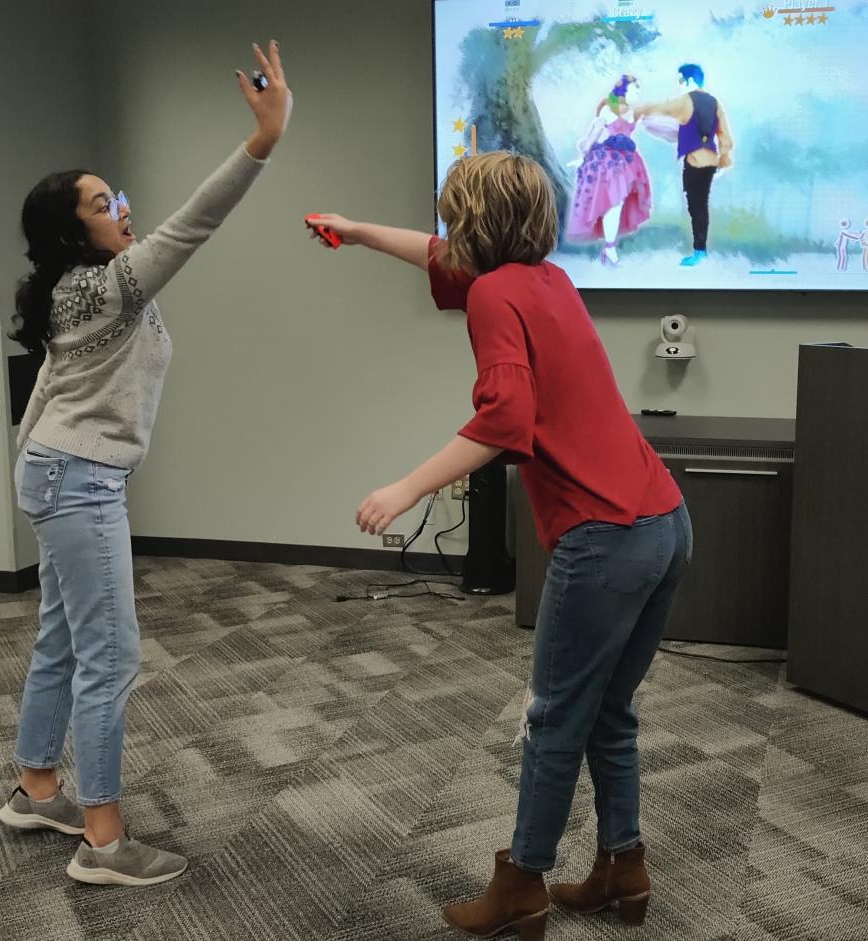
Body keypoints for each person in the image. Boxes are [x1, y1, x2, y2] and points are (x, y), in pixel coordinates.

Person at [311, 151, 691, 939]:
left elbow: (506, 417)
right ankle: (625, 866)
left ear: (474, 223)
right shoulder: (544, 280)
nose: (444, 231)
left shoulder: (492, 294)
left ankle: (521, 883)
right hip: (665, 520)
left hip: (605, 535)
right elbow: (432, 252)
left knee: (554, 718)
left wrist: (406, 487)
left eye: (453, 216)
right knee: (609, 711)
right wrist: (354, 232)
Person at [1, 41, 292, 887]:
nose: (121, 207)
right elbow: (194, 223)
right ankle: (103, 841)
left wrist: (32, 468)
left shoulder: (78, 289)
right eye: (102, 202)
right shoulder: (105, 285)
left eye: (116, 194)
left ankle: (35, 785)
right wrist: (262, 141)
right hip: (78, 481)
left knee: (63, 640)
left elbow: (50, 382)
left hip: (60, 473)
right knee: (111, 656)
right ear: (72, 229)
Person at [639, 63, 734, 267]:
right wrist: (724, 158)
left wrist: (639, 110)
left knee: (696, 206)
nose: (679, 85)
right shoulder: (715, 102)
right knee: (701, 206)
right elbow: (724, 133)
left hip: (694, 161)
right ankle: (701, 250)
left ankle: (699, 251)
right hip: (710, 161)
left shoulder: (686, 100)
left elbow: (662, 107)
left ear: (690, 81)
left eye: (681, 80)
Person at [566, 74, 653, 266]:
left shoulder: (634, 112)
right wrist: (581, 157)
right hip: (609, 163)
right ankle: (610, 249)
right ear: (623, 92)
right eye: (634, 90)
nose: (638, 93)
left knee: (618, 203)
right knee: (613, 203)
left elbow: (648, 123)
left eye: (639, 90)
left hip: (628, 163)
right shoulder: (608, 110)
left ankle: (609, 248)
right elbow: (591, 137)